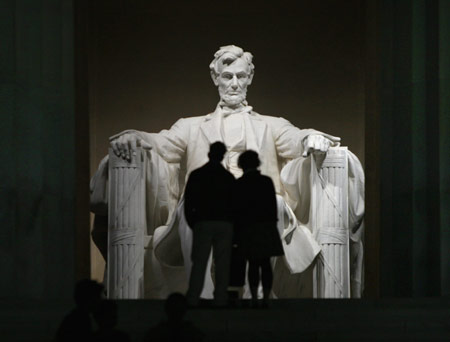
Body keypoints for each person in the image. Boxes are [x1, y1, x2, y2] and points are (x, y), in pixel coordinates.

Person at [90, 45, 365, 299]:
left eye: (241, 76)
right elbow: (160, 143)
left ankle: (255, 293)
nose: (234, 83)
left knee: (267, 202)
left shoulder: (272, 125)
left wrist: (312, 138)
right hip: (205, 205)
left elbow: (297, 138)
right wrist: (133, 136)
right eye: (227, 76)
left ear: (250, 79)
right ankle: (205, 293)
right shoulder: (190, 126)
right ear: (216, 79)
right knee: (194, 203)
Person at [184, 142, 235, 307]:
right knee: (222, 264)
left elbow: (189, 202)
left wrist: (194, 222)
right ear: (222, 156)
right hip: (223, 224)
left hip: (203, 223)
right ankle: (220, 298)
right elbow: (234, 204)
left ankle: (193, 297)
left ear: (209, 154)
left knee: (199, 262)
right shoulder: (227, 177)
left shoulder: (197, 175)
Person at [233, 151, 284, 308]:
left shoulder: (239, 183)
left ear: (241, 165)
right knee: (266, 264)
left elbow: (237, 210)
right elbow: (272, 206)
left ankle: (255, 297)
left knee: (253, 264)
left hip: (248, 228)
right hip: (265, 226)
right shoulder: (266, 181)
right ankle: (266, 297)